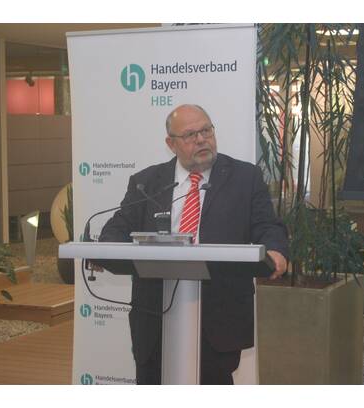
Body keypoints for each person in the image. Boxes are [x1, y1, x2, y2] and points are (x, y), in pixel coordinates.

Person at [99, 104, 288, 384]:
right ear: (171, 144)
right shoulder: (146, 183)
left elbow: (267, 226)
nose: (201, 140)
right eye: (190, 135)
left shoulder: (244, 177)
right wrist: (105, 251)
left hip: (218, 312)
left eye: (206, 131)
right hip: (154, 315)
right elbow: (115, 230)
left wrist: (275, 250)